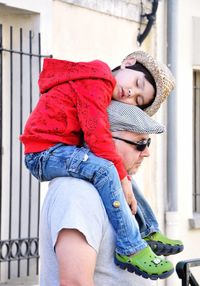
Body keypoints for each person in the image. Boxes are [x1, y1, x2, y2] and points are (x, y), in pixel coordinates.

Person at [20, 51, 181, 279]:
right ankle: (131, 247)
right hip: (45, 153)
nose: (131, 93)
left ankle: (148, 231)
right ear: (128, 62)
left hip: (57, 149)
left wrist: (123, 178)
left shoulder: (101, 87)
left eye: (137, 100)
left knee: (119, 176)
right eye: (139, 143)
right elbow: (96, 134)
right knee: (108, 170)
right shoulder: (96, 82)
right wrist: (119, 175)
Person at [39, 101, 178, 286]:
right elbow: (75, 282)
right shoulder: (76, 192)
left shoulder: (114, 187)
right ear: (103, 139)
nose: (147, 153)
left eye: (148, 142)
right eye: (140, 143)